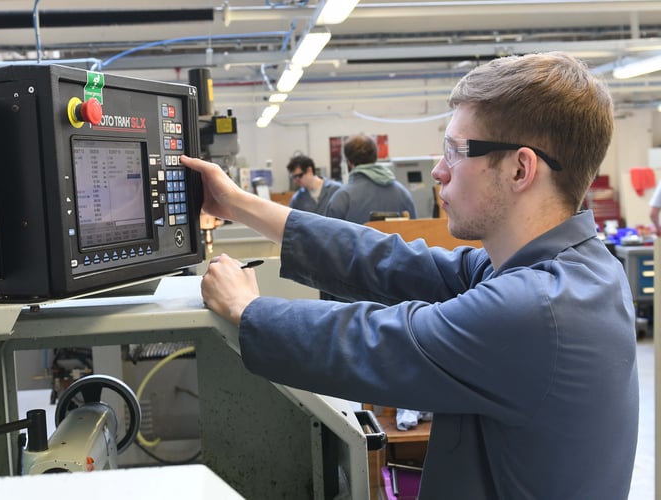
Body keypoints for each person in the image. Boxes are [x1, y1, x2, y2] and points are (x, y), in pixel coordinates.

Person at [180, 51, 638, 499]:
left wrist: (248, 310)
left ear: (520, 169)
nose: (439, 171)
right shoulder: (568, 268)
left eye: (455, 151)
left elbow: (379, 340)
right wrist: (236, 203)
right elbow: (391, 260)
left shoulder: (539, 308)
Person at [325, 134, 417, 223]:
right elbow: (415, 231)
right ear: (375, 156)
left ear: (349, 162)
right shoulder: (403, 193)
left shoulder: (342, 198)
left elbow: (329, 236)